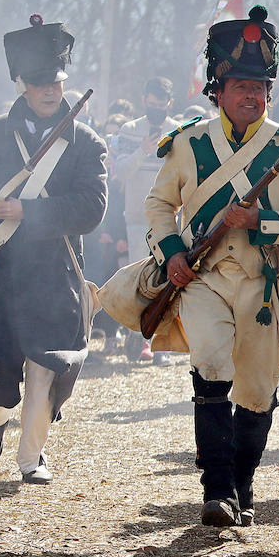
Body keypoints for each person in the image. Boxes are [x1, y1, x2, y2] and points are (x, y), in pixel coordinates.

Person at [143, 6, 279, 527]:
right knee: (212, 365)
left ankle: (242, 485)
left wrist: (260, 220)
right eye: (242, 84)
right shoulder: (187, 143)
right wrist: (172, 251)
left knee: (257, 390)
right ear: (218, 90)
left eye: (260, 86)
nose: (252, 95)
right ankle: (216, 488)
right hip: (204, 279)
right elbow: (159, 206)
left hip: (264, 284)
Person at [0, 15, 108, 484]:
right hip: (2, 272)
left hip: (56, 273)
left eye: (56, 81)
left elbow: (92, 208)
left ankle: (31, 459)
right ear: (21, 85)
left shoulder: (86, 142)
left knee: (48, 367)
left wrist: (27, 212)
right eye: (40, 82)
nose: (50, 90)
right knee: (0, 365)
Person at [114, 77, 182, 362]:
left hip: (169, 218)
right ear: (144, 101)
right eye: (152, 104)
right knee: (138, 280)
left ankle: (160, 343)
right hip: (137, 217)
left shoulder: (177, 131)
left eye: (161, 105)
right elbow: (120, 172)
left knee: (168, 281)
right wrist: (142, 149)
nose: (156, 109)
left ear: (170, 103)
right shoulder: (129, 130)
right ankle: (135, 340)